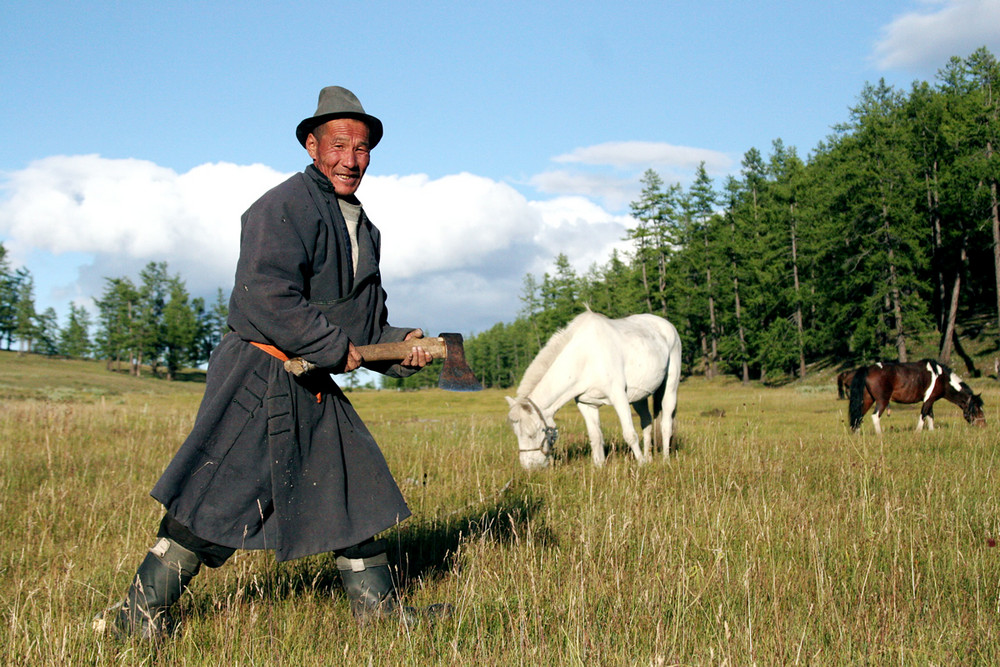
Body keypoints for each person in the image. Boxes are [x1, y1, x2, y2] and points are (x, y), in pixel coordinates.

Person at [95, 86, 447, 640]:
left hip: (308, 378)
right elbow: (263, 295)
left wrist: (405, 346)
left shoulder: (363, 228)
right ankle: (137, 617)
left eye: (361, 148)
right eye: (337, 145)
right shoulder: (283, 206)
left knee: (351, 482)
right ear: (312, 146)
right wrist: (335, 348)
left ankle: (378, 614)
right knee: (220, 496)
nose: (350, 159)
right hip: (259, 373)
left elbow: (363, 327)